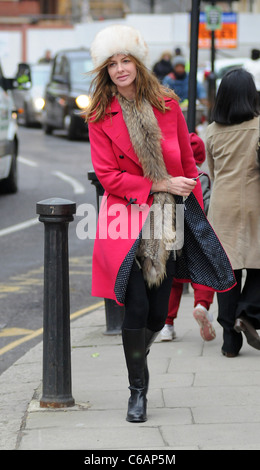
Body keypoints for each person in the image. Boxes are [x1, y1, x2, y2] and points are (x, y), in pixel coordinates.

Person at [85, 24, 236, 423]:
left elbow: (187, 164)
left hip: (168, 220)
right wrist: (158, 182)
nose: (120, 69)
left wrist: (196, 220)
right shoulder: (100, 116)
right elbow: (108, 177)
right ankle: (138, 390)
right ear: (104, 70)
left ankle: (139, 350)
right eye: (112, 64)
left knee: (156, 315)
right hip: (124, 218)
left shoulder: (167, 104)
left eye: (125, 60)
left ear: (137, 62)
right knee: (134, 307)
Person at [205, 68, 260, 358]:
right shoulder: (259, 127)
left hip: (222, 206)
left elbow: (212, 173)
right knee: (257, 265)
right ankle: (247, 314)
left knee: (228, 274)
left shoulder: (211, 132)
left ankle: (230, 342)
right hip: (255, 204)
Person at [160, 133, 215, 342]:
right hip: (197, 232)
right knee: (203, 270)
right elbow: (208, 206)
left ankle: (167, 325)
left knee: (171, 279)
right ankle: (201, 305)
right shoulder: (200, 177)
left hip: (170, 232)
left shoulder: (167, 180)